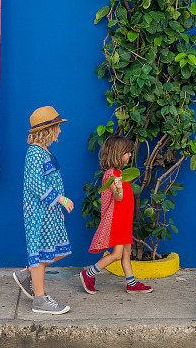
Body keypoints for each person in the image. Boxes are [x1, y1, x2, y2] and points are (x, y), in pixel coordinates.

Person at [12, 106, 74, 315]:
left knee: (55, 251)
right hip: (39, 213)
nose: (60, 131)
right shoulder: (34, 153)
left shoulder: (44, 151)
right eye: (57, 127)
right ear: (48, 130)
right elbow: (33, 183)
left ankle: (27, 274)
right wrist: (61, 199)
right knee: (39, 254)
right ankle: (40, 299)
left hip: (49, 212)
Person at [79, 136, 153, 294]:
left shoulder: (119, 173)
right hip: (117, 221)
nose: (130, 155)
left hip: (124, 220)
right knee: (117, 254)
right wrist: (118, 187)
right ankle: (88, 274)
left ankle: (131, 283)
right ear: (118, 154)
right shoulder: (111, 175)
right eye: (127, 152)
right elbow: (118, 197)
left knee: (126, 253)